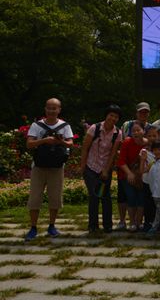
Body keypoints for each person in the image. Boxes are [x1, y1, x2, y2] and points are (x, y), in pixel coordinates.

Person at [25, 98, 74, 241]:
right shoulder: (36, 125)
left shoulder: (65, 126)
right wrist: (45, 140)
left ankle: (52, 226)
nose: (52, 111)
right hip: (38, 167)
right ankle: (33, 227)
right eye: (49, 108)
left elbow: (70, 144)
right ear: (45, 109)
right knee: (35, 198)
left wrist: (60, 141)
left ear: (59, 110)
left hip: (57, 167)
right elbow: (29, 144)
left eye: (55, 108)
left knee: (55, 198)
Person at [80, 105, 123, 234]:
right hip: (91, 167)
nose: (113, 118)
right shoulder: (95, 128)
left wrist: (106, 170)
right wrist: (83, 167)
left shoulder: (118, 133)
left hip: (105, 168)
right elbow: (85, 148)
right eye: (111, 115)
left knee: (105, 196)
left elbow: (113, 154)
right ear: (106, 115)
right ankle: (93, 225)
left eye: (116, 117)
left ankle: (107, 225)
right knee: (94, 196)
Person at [118, 102, 150, 230]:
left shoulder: (148, 144)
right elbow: (121, 161)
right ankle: (132, 222)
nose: (136, 132)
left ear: (143, 131)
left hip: (141, 175)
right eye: (134, 131)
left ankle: (139, 222)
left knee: (141, 199)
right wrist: (130, 174)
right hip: (126, 174)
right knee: (131, 198)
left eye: (138, 130)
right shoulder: (127, 142)